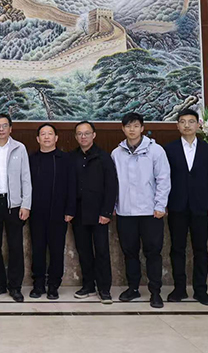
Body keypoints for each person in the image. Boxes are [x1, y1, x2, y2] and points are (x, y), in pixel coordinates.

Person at [111, 112, 171, 309]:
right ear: (123, 129)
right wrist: (114, 206)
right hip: (125, 212)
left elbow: (163, 179)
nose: (132, 129)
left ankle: (155, 292)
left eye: (136, 126)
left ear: (142, 128)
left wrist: (160, 205)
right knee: (130, 253)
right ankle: (133, 288)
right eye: (128, 126)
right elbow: (113, 183)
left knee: (153, 253)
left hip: (150, 212)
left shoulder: (156, 151)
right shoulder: (116, 153)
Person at [164, 109, 208, 306]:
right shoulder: (169, 149)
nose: (187, 125)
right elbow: (163, 178)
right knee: (177, 249)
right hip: (176, 206)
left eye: (191, 121)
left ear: (198, 125)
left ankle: (200, 290)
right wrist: (163, 204)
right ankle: (179, 289)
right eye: (182, 121)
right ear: (177, 125)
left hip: (201, 206)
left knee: (201, 249)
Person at [0, 113, 32, 302]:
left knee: (15, 247)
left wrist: (26, 204)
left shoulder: (20, 148)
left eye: (5, 126)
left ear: (11, 128)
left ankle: (15, 287)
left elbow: (26, 178)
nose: (1, 129)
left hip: (14, 205)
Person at [69, 121, 117, 304]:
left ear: (94, 135)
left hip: (99, 214)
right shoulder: (71, 157)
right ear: (76, 137)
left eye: (87, 133)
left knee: (102, 251)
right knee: (84, 251)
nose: (83, 137)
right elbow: (68, 187)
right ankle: (88, 285)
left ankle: (104, 289)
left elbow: (111, 186)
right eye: (80, 134)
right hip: (78, 213)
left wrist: (106, 212)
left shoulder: (104, 157)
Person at [27, 123, 75, 299]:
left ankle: (54, 285)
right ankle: (38, 284)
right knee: (37, 249)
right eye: (43, 134)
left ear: (56, 138)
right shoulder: (31, 159)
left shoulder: (65, 159)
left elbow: (72, 185)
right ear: (37, 139)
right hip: (36, 212)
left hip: (59, 212)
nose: (46, 137)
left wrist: (70, 209)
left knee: (56, 250)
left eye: (50, 134)